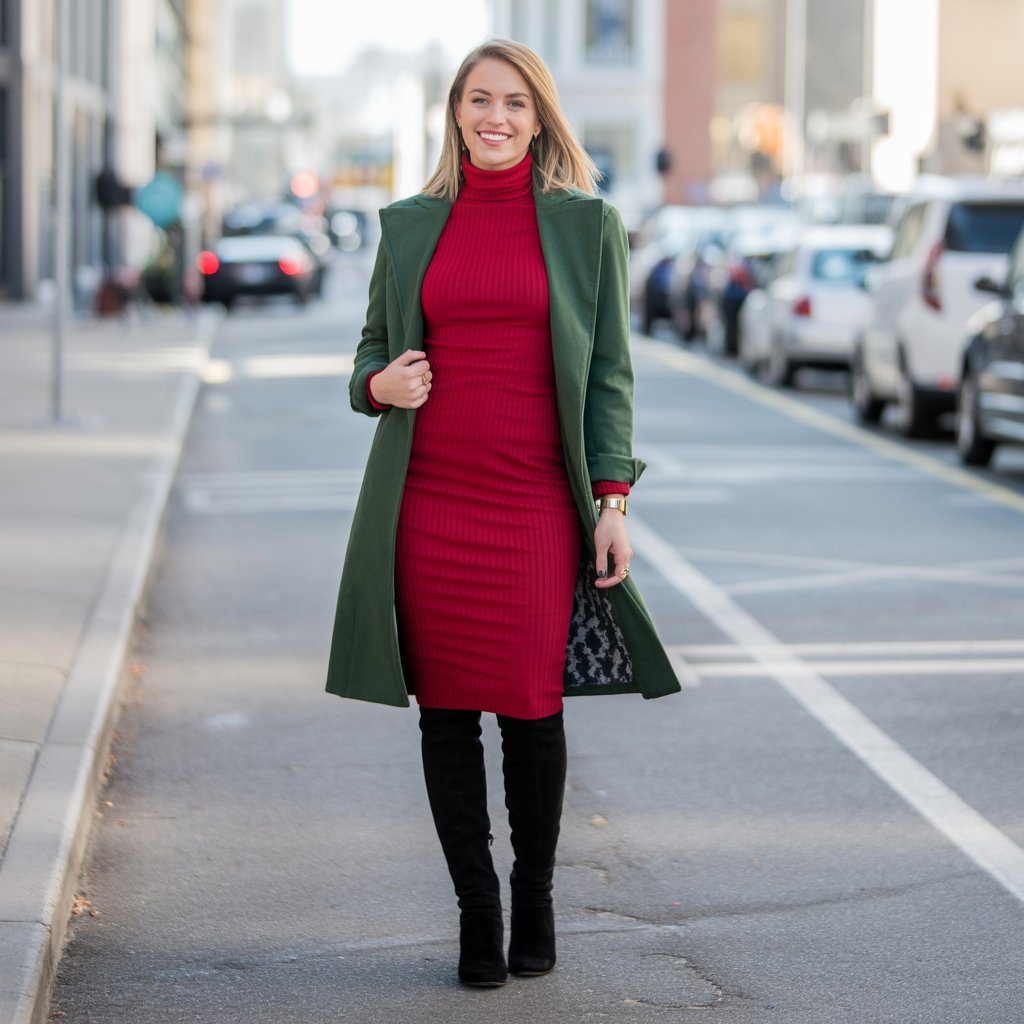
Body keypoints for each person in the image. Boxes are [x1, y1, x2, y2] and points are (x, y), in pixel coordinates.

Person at [325, 39, 680, 988]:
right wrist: (378, 385)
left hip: (533, 504)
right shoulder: (407, 226)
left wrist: (612, 498)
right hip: (429, 501)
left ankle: (536, 897)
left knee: (531, 709)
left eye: (515, 103)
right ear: (454, 111)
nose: (496, 117)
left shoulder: (583, 224)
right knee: (445, 715)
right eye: (479, 100)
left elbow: (608, 373)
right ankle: (476, 913)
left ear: (539, 117)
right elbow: (367, 352)